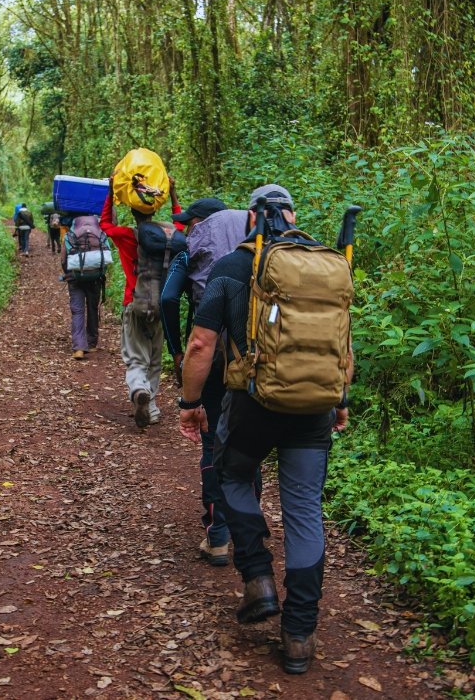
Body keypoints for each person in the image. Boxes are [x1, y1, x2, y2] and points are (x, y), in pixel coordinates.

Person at [178, 184, 353, 675]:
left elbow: (200, 344)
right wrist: (340, 398)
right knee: (304, 510)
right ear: (294, 215)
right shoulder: (325, 267)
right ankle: (299, 635)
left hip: (251, 406)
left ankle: (257, 578)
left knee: (232, 475)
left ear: (251, 217)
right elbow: (343, 344)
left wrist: (190, 403)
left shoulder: (233, 266)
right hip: (314, 410)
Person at [159, 197, 251, 568]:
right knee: (248, 441)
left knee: (213, 441)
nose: (187, 228)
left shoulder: (190, 253)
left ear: (204, 223)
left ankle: (218, 536)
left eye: (191, 222)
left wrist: (176, 350)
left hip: (212, 358)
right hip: (254, 359)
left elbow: (168, 298)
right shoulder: (258, 252)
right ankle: (247, 529)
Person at [100, 165, 182, 428]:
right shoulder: (169, 235)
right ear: (154, 208)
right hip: (162, 304)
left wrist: (111, 191)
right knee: (155, 357)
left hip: (135, 302)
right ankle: (153, 408)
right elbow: (182, 224)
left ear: (133, 210)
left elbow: (106, 225)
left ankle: (138, 390)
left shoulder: (128, 236)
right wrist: (173, 193)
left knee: (136, 356)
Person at [60, 215, 104, 360]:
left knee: (77, 311)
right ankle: (91, 344)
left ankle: (79, 347)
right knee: (92, 308)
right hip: (95, 278)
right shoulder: (100, 234)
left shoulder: (70, 236)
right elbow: (105, 257)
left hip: (75, 278)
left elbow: (63, 259)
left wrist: (68, 273)